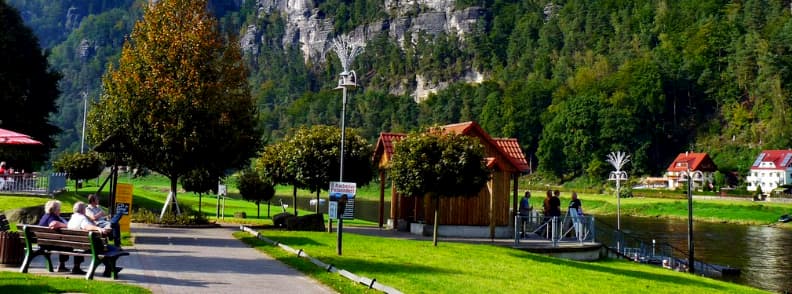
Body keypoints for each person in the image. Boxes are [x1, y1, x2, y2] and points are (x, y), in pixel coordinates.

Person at [68, 201, 122, 277]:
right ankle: (109, 269)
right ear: (83, 210)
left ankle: (76, 267)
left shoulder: (72, 218)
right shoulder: (82, 218)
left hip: (76, 245)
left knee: (103, 248)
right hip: (88, 247)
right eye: (84, 209)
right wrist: (97, 228)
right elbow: (86, 226)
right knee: (115, 249)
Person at [37, 200, 83, 274]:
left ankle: (62, 266)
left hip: (43, 243)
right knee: (74, 244)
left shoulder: (45, 216)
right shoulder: (53, 217)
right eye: (59, 209)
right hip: (50, 244)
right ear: (54, 210)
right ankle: (76, 267)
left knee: (65, 243)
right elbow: (53, 224)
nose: (60, 211)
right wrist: (67, 226)